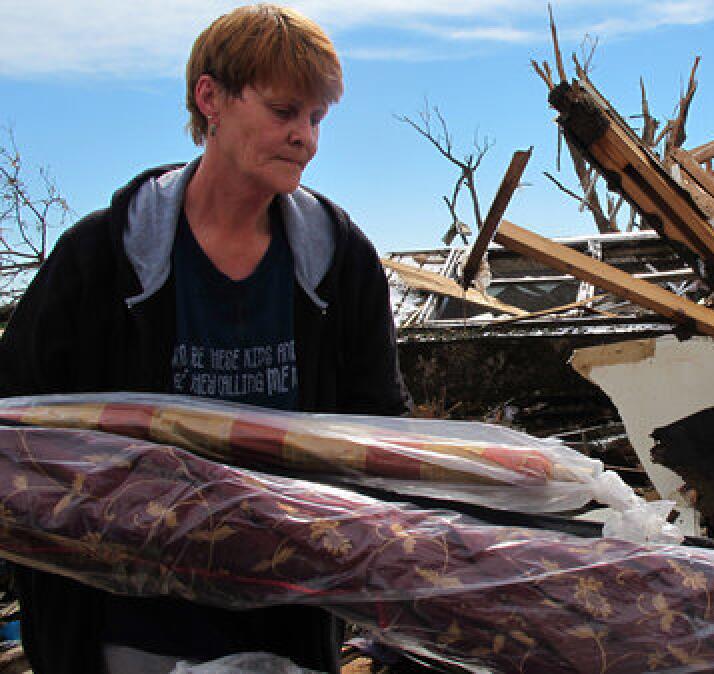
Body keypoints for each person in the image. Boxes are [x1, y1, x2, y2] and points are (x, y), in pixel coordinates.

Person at [0, 4, 412, 672]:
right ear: (210, 98)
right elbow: (18, 428)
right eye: (284, 111)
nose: (304, 138)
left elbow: (382, 432)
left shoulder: (338, 263)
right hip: (122, 632)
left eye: (316, 119)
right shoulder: (101, 259)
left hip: (287, 625)